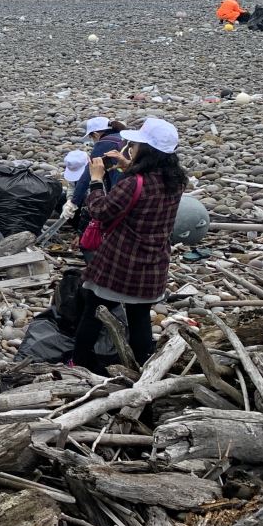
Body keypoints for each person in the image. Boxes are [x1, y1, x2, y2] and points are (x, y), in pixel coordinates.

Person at [72, 118, 186, 375]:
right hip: (153, 264)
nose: (131, 148)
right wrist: (128, 167)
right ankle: (146, 369)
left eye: (134, 145)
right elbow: (146, 197)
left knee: (93, 312)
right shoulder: (176, 181)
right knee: (139, 318)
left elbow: (100, 211)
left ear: (146, 150)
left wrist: (96, 180)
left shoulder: (134, 183)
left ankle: (78, 364)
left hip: (119, 263)